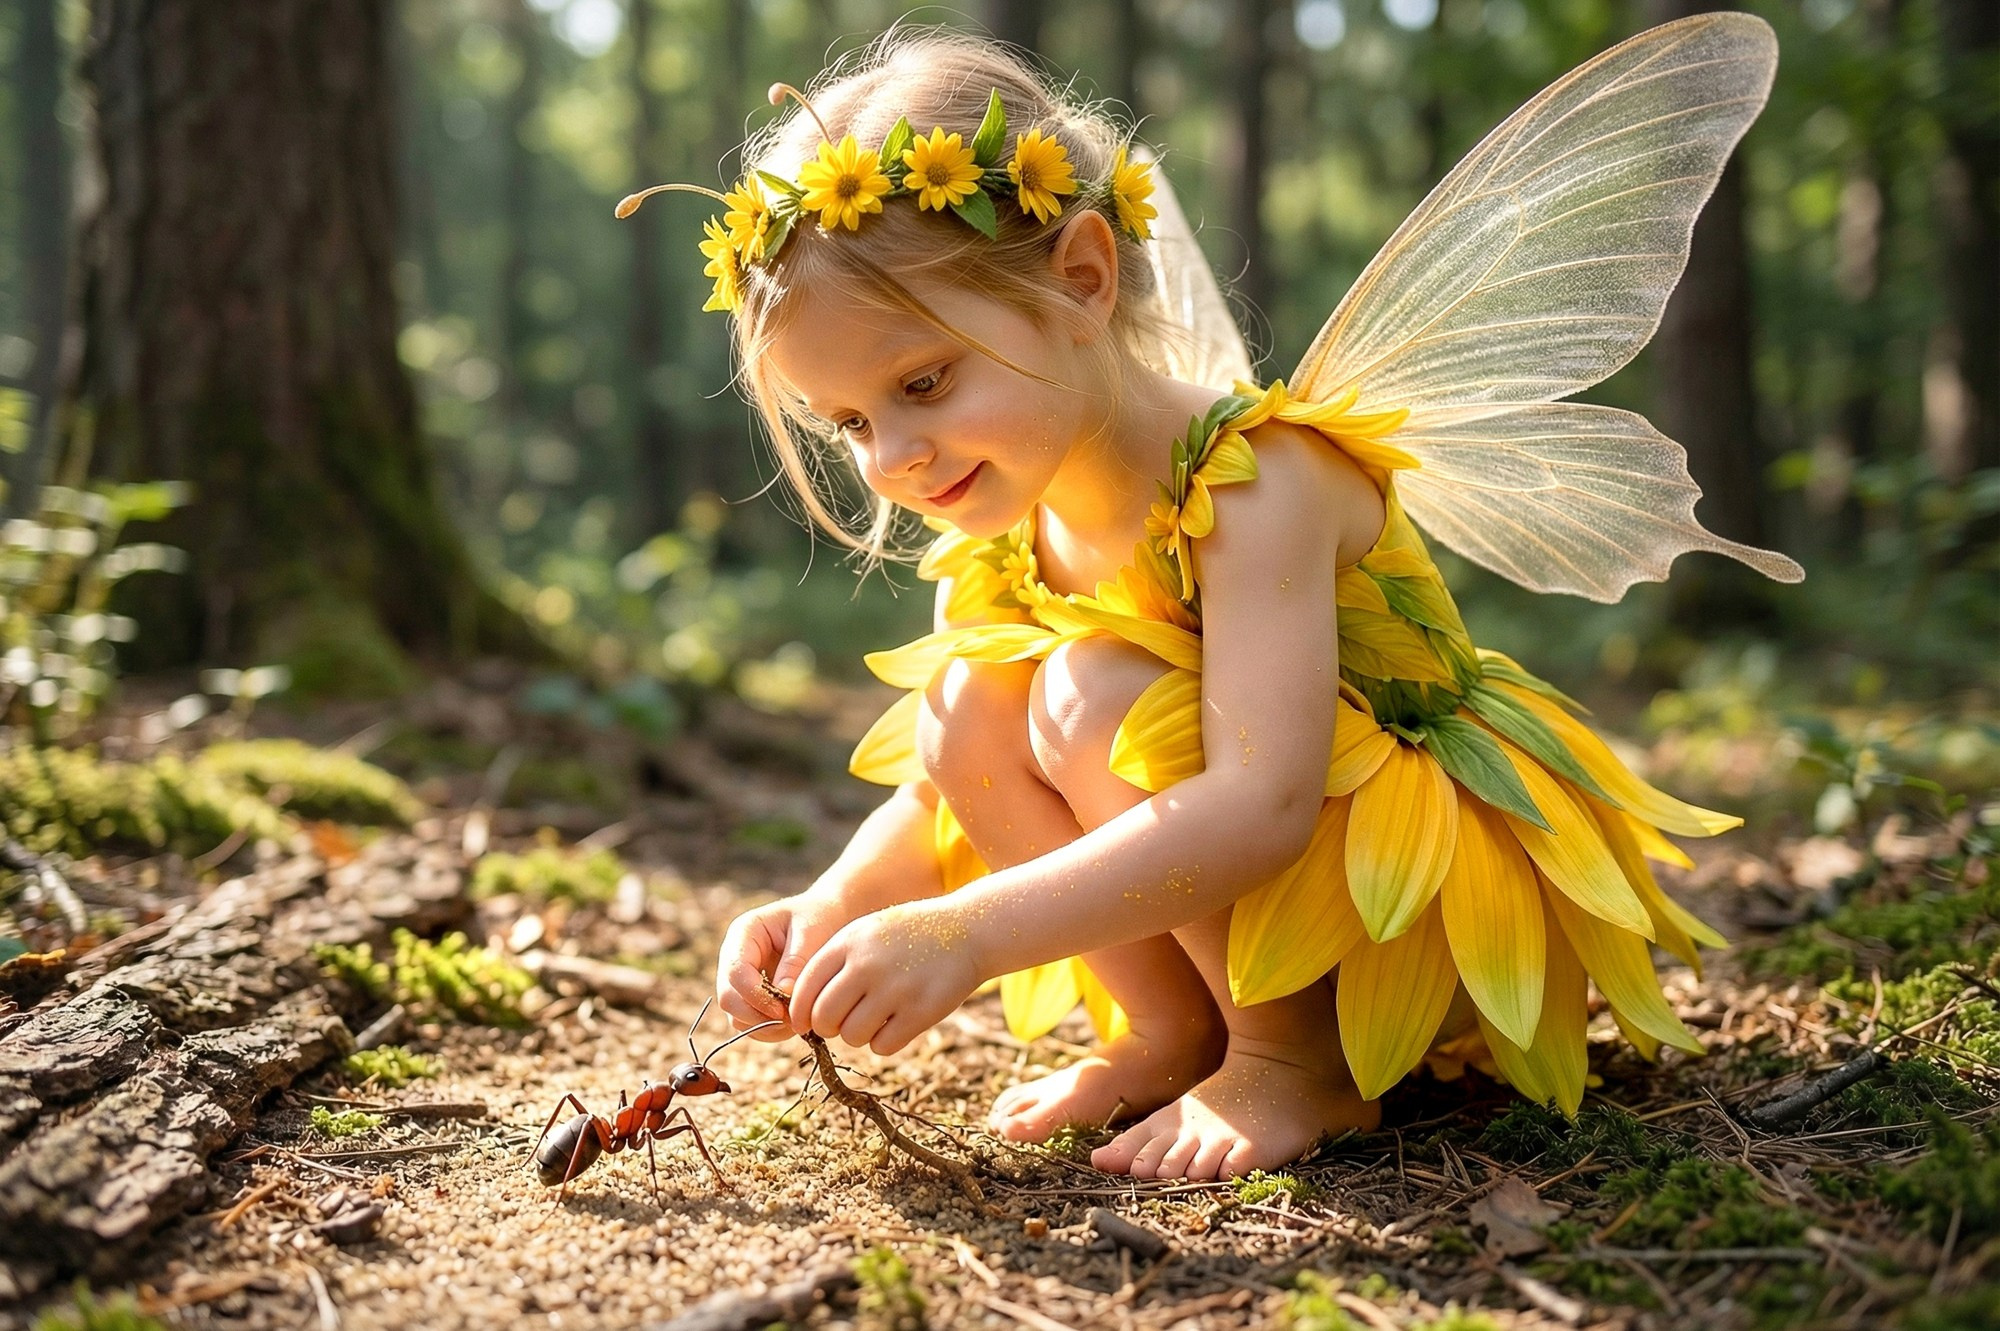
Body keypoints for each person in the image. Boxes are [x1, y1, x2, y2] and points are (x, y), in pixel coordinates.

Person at [620, 15, 1803, 1181]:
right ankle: (1173, 1031)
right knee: (965, 700)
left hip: (1416, 894)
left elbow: (1261, 801)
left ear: (1081, 278)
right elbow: (945, 791)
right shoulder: (1010, 517)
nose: (893, 458)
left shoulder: (1257, 479)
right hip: (1259, 892)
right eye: (850, 422)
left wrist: (969, 933)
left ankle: (1292, 1060)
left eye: (923, 382)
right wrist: (830, 904)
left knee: (1089, 691)